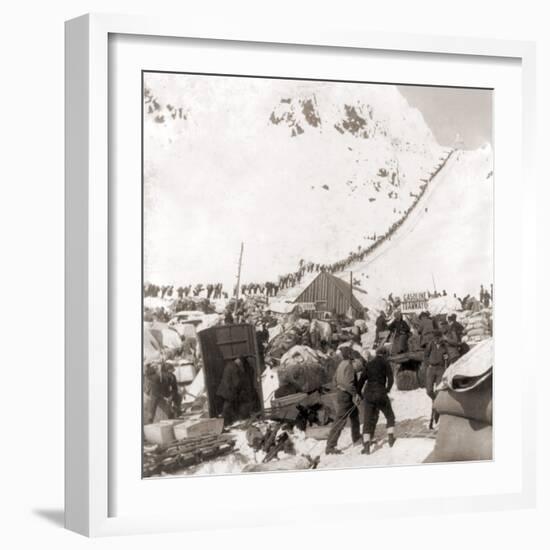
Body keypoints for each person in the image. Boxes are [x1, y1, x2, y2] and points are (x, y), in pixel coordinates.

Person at [357, 346, 396, 454]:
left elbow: (361, 381)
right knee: (390, 415)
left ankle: (366, 446)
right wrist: (387, 389)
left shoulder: (369, 364)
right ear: (385, 354)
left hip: (368, 394)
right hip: (380, 393)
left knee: (367, 420)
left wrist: (359, 394)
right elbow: (391, 379)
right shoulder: (385, 363)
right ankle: (391, 438)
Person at [325, 346, 362, 454]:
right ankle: (330, 447)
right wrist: (355, 395)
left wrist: (339, 388)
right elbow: (349, 384)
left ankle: (356, 438)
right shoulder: (349, 366)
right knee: (340, 421)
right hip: (346, 396)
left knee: (355, 415)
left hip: (342, 394)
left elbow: (334, 380)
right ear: (349, 355)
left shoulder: (341, 364)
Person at [216, 357, 248, 426]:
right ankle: (222, 424)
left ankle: (226, 422)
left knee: (228, 406)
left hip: (224, 390)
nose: (241, 365)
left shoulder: (229, 364)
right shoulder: (235, 368)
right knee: (227, 407)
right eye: (241, 364)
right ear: (240, 362)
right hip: (228, 391)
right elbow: (236, 382)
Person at [424, 330, 449, 402]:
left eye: (438, 338)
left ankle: (436, 407)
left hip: (440, 369)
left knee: (438, 390)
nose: (437, 339)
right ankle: (435, 400)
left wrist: (446, 357)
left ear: (441, 337)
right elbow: (425, 355)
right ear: (433, 338)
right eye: (435, 338)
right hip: (431, 368)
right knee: (429, 391)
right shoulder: (431, 344)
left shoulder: (444, 345)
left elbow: (447, 357)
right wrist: (428, 364)